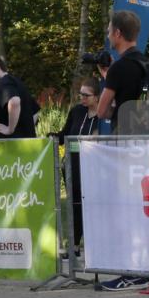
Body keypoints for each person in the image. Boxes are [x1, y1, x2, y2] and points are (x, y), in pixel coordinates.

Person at [94, 11, 149, 292]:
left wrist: (108, 83)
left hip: (127, 144)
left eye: (110, 30)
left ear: (118, 33)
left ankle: (133, 271)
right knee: (144, 207)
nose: (108, 35)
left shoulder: (119, 68)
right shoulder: (148, 63)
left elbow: (101, 110)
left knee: (126, 207)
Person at [58, 77, 101, 254]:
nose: (82, 98)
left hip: (94, 169)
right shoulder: (77, 111)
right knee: (75, 205)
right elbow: (64, 135)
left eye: (86, 95)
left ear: (97, 97)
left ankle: (95, 245)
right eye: (80, 94)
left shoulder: (104, 116)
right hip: (73, 167)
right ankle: (74, 244)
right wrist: (53, 137)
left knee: (93, 206)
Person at [0, 56, 39, 139]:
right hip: (20, 143)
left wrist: (10, 130)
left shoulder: (3, 82)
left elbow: (14, 101)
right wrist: (24, 131)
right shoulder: (17, 83)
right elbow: (35, 112)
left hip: (8, 145)